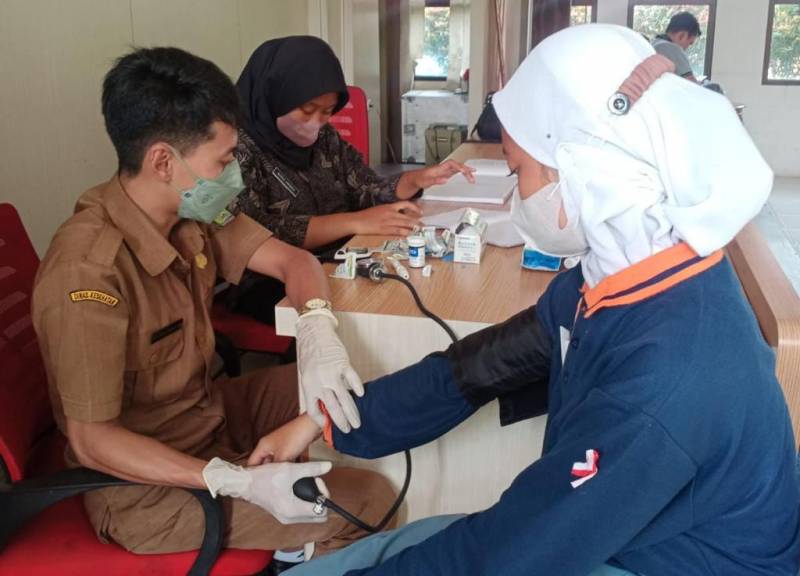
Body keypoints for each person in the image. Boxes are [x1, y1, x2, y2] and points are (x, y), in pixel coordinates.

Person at [249, 25, 800, 575]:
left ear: (582, 167)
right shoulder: (627, 275)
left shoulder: (670, 377)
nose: (516, 198)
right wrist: (322, 422)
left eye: (518, 172)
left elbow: (512, 553)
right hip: (618, 533)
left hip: (671, 563)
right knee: (401, 545)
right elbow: (474, 368)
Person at [31, 46, 394, 576]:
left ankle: (294, 539)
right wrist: (232, 480)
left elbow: (294, 261)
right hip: (141, 487)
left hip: (207, 414)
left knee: (356, 388)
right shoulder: (89, 272)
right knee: (368, 502)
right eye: (223, 162)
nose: (234, 177)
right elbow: (92, 440)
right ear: (163, 161)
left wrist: (317, 328)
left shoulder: (191, 210)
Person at [226, 36, 475, 323]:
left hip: (340, 253)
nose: (317, 122)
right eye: (307, 109)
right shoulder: (233, 149)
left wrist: (415, 179)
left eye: (327, 112)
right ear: (275, 94)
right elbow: (253, 235)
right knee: (369, 315)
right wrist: (355, 222)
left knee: (414, 291)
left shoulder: (324, 138)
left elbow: (364, 186)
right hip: (267, 282)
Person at [652, 11, 702, 82]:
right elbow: (691, 83)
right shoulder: (671, 48)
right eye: (690, 43)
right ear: (682, 35)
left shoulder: (655, 43)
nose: (687, 48)